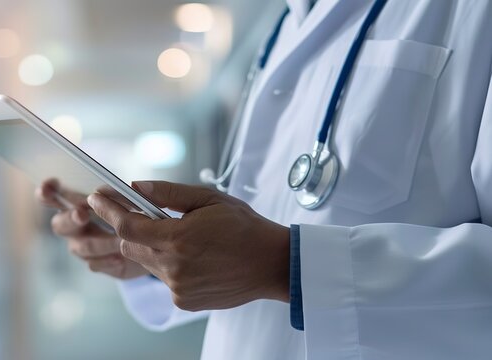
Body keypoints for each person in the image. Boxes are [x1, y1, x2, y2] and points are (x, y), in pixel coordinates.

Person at [37, 0, 492, 359]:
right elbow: (265, 222)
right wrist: (154, 253)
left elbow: (272, 255)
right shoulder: (285, 23)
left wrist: (285, 268)